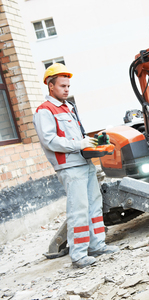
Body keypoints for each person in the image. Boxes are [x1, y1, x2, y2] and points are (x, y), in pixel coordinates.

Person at [33, 63, 119, 268]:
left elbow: (76, 136)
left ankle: (97, 245)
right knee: (78, 210)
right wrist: (78, 144)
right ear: (50, 86)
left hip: (84, 163)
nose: (66, 89)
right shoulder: (44, 111)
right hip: (69, 167)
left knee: (94, 205)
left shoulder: (68, 107)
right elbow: (49, 141)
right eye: (62, 86)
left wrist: (90, 143)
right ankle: (79, 255)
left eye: (68, 86)